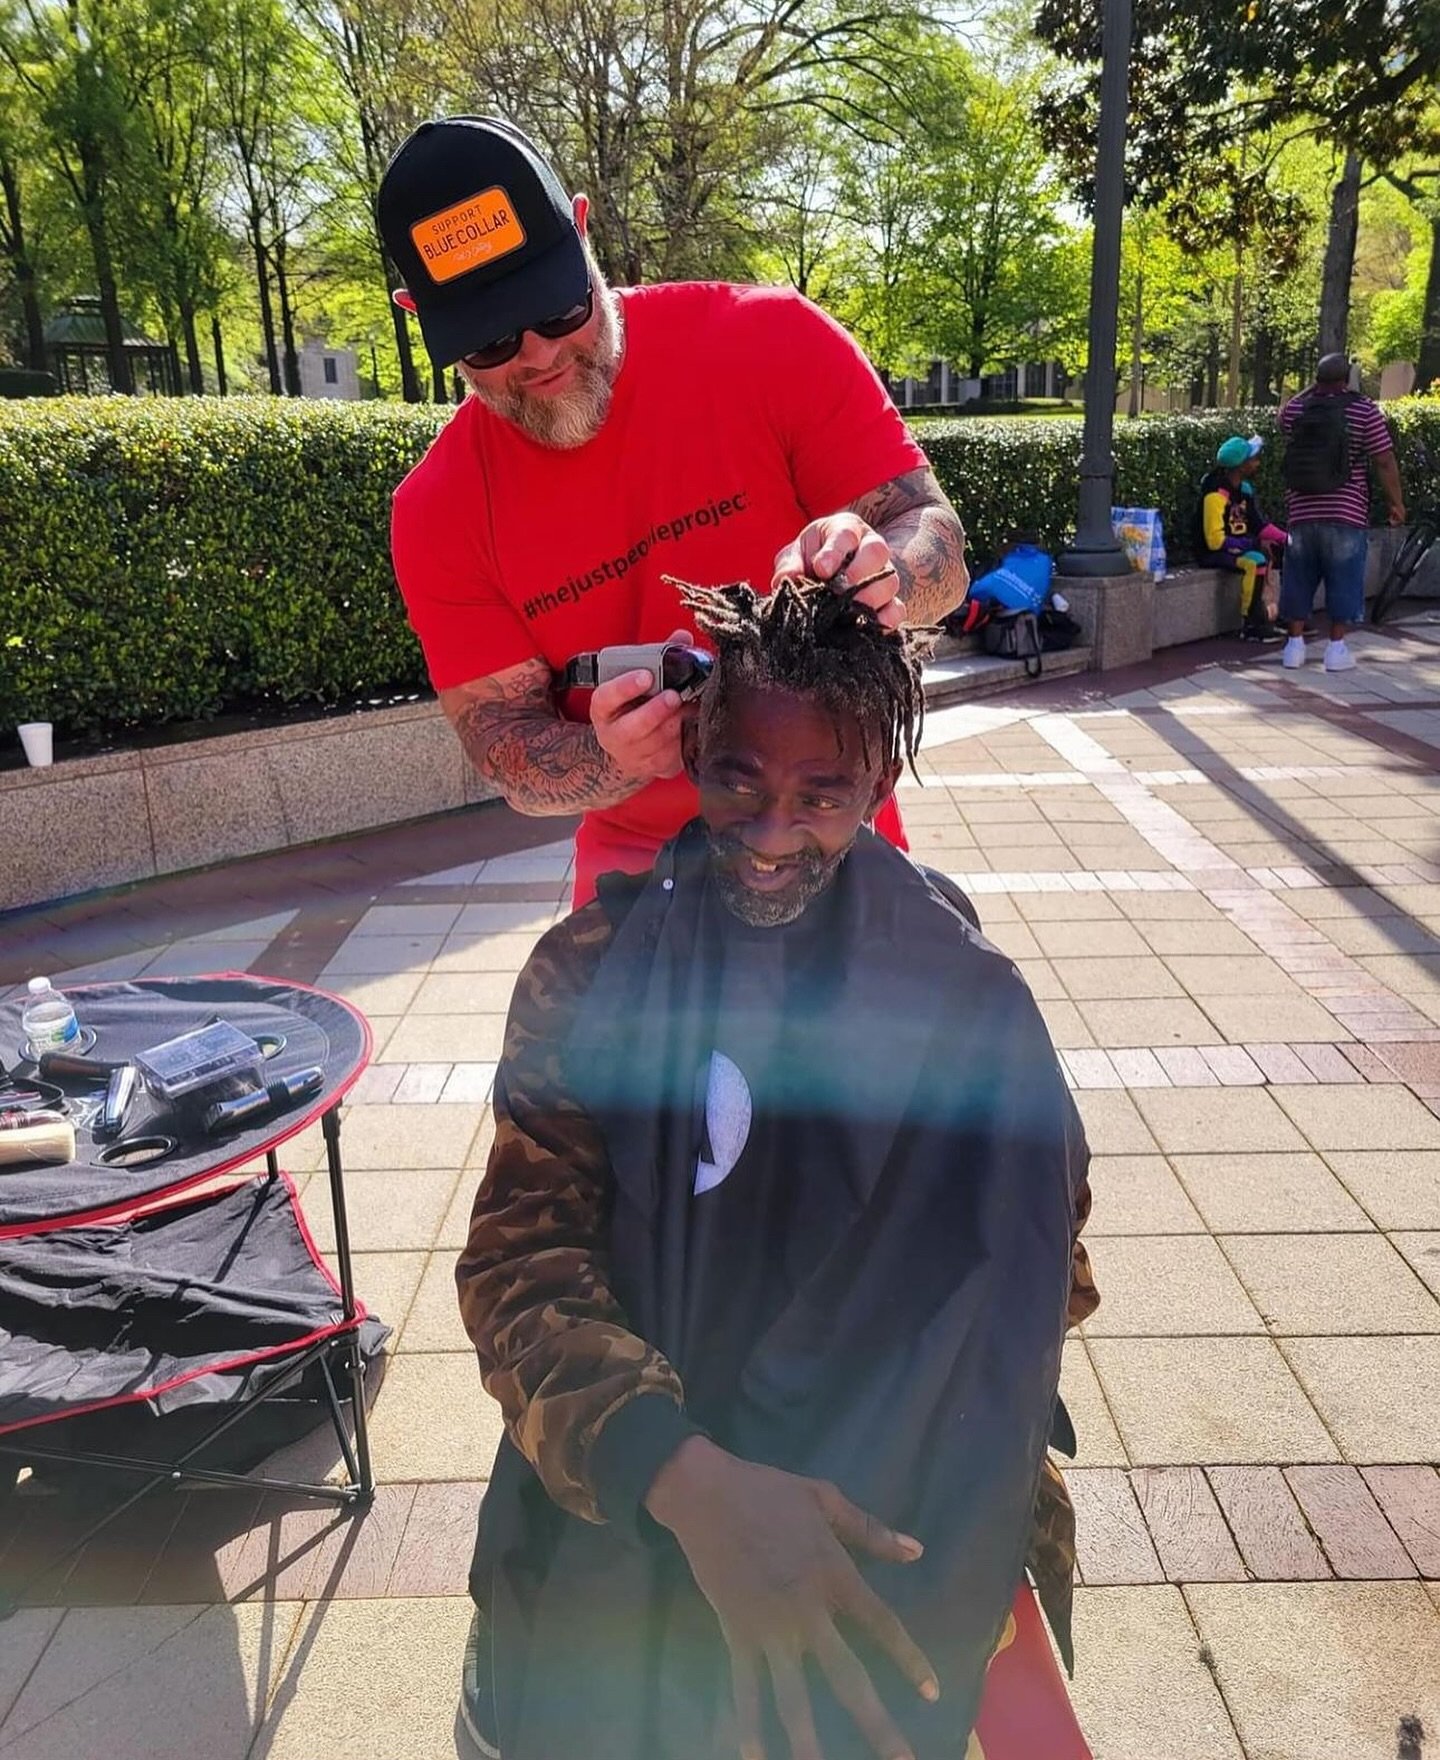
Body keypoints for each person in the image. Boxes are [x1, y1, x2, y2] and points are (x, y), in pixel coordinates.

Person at [455, 574, 1098, 1760]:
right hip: (642, 1486)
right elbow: (518, 1270)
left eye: (821, 794)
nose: (768, 830)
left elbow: (1040, 1268)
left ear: (879, 787)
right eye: (740, 776)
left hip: (909, 1496)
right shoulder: (589, 973)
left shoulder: (957, 985)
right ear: (695, 745)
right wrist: (689, 1478)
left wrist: (883, 1444)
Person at [377, 116, 969, 908]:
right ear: (418, 313)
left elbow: (939, 544)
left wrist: (884, 572)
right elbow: (504, 746)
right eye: (489, 344)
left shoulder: (768, 342)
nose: (542, 355)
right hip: (638, 885)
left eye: (559, 307)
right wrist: (612, 755)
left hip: (837, 850)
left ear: (582, 231)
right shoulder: (438, 510)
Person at [1278, 352, 1407, 672]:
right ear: (1346, 379)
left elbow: (1280, 419)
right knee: (1344, 578)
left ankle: (1293, 647)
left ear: (1317, 379)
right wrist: (1396, 502)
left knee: (1298, 578)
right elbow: (1384, 460)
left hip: (1301, 510)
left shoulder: (1298, 408)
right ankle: (1336, 649)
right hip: (1345, 510)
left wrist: (1311, 389)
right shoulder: (1363, 410)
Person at [1196, 434, 1286, 640]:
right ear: (1241, 465)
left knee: (1279, 551)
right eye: (1253, 459)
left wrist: (1286, 539)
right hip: (1215, 552)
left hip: (1239, 546)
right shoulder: (1215, 495)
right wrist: (1250, 544)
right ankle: (1251, 623)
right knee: (1256, 561)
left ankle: (1280, 615)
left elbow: (1259, 525)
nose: (1257, 463)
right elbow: (1214, 540)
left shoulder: (1244, 490)